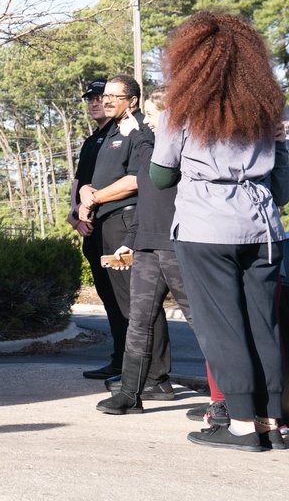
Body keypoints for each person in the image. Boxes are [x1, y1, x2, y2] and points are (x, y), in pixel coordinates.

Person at [151, 11, 289, 452]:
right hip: (264, 227)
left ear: (189, 59)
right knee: (263, 326)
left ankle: (243, 427)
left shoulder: (182, 111)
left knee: (223, 329)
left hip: (206, 228)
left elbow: (158, 176)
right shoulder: (265, 108)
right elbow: (281, 187)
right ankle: (273, 423)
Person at [96, 88, 193, 414]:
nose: (147, 121)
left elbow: (165, 178)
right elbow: (146, 203)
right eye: (146, 116)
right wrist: (131, 241)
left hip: (177, 245)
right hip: (148, 247)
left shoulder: (183, 148)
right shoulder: (148, 147)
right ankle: (129, 395)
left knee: (201, 321)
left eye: (152, 115)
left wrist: (135, 128)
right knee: (139, 321)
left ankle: (226, 401)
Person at [77, 75, 171, 385]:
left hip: (128, 223)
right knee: (118, 302)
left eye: (113, 96)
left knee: (140, 305)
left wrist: (98, 197)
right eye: (104, 95)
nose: (105, 100)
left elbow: (137, 179)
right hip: (104, 224)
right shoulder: (109, 132)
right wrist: (84, 198)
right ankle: (127, 365)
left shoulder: (141, 131)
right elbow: (93, 181)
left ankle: (155, 377)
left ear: (132, 101)